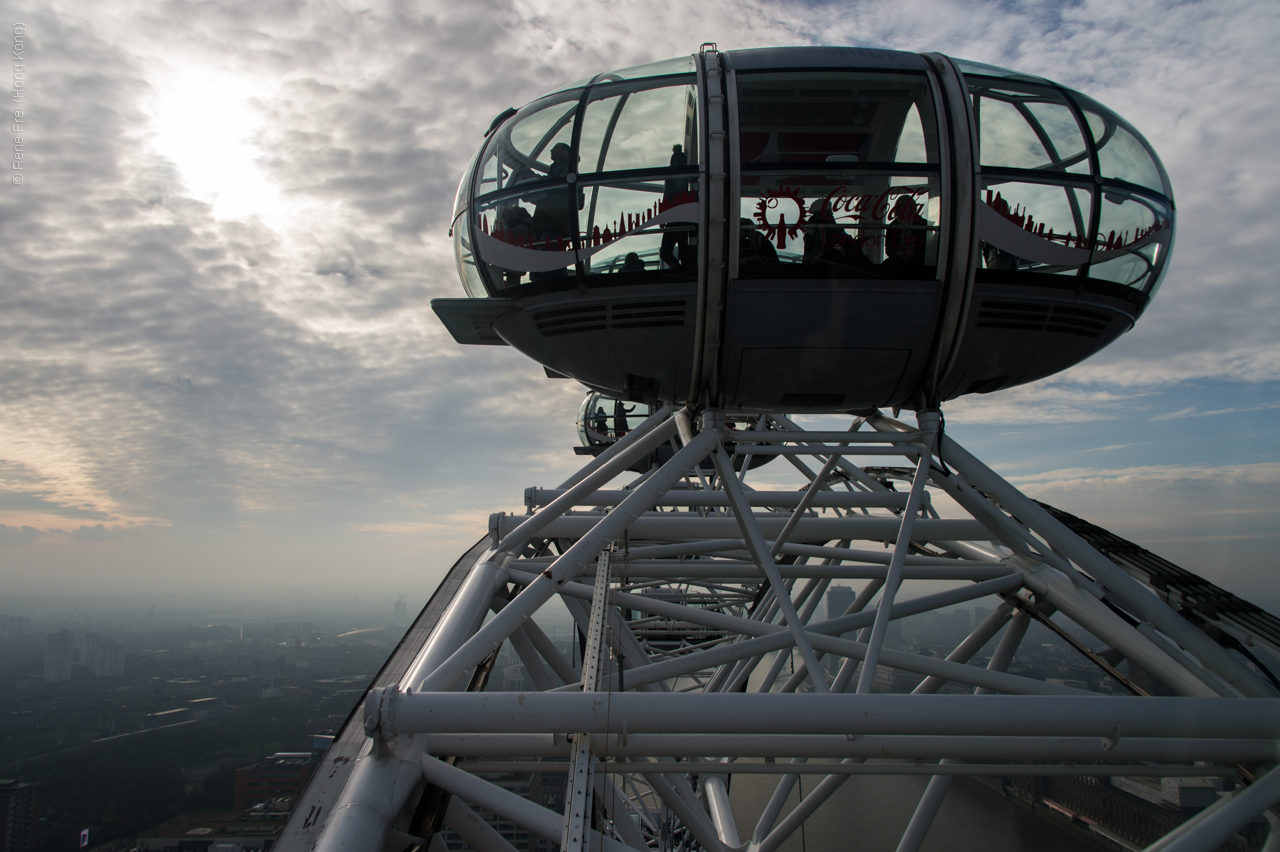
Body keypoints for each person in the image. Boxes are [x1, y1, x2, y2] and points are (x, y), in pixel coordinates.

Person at [803, 198, 868, 271]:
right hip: (824, 265)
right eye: (828, 211)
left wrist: (855, 242)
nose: (831, 213)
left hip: (839, 260)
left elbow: (844, 237)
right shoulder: (814, 228)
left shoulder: (834, 226)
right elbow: (812, 253)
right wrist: (836, 248)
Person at [660, 144, 693, 270]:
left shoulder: (670, 175)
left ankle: (680, 270)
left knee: (665, 252)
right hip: (685, 217)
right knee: (684, 250)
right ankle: (686, 271)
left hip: (673, 218)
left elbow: (667, 195)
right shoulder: (687, 174)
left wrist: (663, 217)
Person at [883, 195, 928, 266]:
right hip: (899, 262)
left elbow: (928, 246)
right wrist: (899, 254)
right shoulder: (893, 226)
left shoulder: (923, 224)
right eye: (898, 207)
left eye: (904, 206)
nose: (901, 209)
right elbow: (889, 249)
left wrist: (915, 255)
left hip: (919, 262)